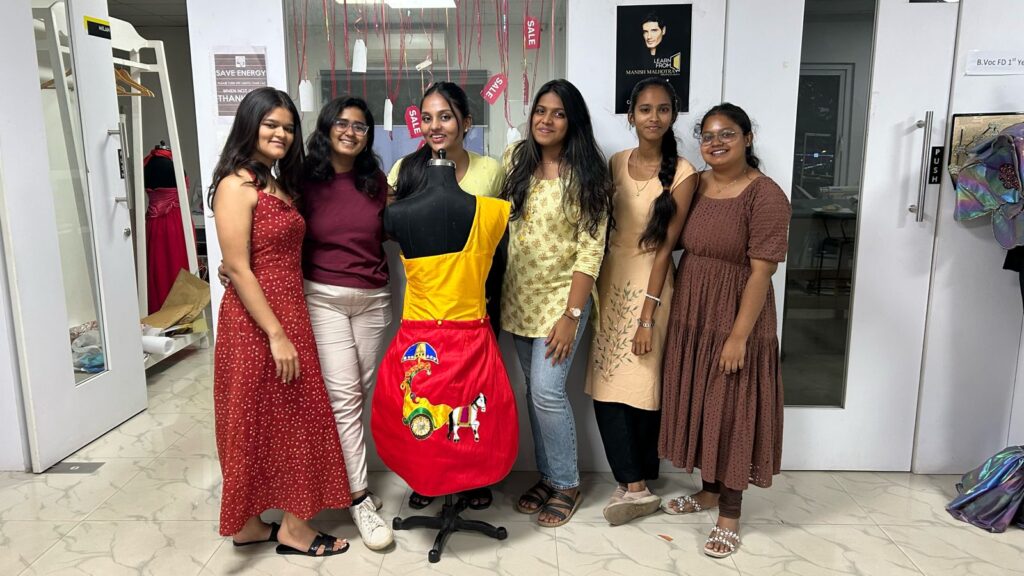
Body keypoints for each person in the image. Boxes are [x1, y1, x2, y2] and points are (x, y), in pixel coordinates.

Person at [210, 87, 350, 557]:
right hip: (257, 323)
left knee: (275, 420)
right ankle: (290, 528)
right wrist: (275, 334)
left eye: (289, 127)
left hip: (288, 310)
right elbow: (240, 268)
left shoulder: (272, 182)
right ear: (250, 124)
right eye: (271, 124)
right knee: (256, 420)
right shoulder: (236, 186)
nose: (282, 134)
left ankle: (254, 525)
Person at [659, 103, 791, 559]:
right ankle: (709, 491)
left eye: (727, 134)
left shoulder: (765, 195)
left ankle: (729, 514)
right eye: (708, 136)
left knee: (733, 410)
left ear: (748, 138)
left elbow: (761, 273)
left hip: (738, 316)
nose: (715, 143)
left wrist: (738, 337)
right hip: (694, 312)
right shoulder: (696, 184)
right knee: (703, 401)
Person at [388, 81, 505, 511]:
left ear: (466, 122)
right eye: (428, 117)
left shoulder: (490, 172)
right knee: (428, 391)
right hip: (425, 306)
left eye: (446, 116)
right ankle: (428, 475)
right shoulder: (405, 170)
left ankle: (472, 477)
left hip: (477, 298)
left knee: (472, 397)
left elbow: (501, 237)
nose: (436, 126)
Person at [502, 79, 612, 528]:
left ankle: (566, 483)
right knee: (533, 392)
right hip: (517, 297)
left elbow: (591, 249)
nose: (546, 120)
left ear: (573, 122)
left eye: (558, 113)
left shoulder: (587, 174)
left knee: (548, 392)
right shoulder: (516, 160)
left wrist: (571, 315)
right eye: (540, 111)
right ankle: (548, 476)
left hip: (562, 300)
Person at [587, 77, 697, 526]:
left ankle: (636, 483)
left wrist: (648, 316)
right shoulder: (614, 163)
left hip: (651, 285)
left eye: (663, 109)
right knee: (607, 385)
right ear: (631, 116)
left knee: (641, 382)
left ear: (673, 115)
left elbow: (666, 247)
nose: (654, 117)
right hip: (609, 281)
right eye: (645, 109)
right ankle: (636, 479)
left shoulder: (685, 174)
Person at [300, 96, 394, 550]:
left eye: (361, 126)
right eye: (343, 123)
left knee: (359, 396)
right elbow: (273, 227)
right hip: (325, 299)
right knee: (344, 398)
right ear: (326, 127)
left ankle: (346, 482)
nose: (351, 132)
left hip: (374, 301)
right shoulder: (302, 179)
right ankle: (357, 497)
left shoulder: (374, 181)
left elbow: (395, 226)